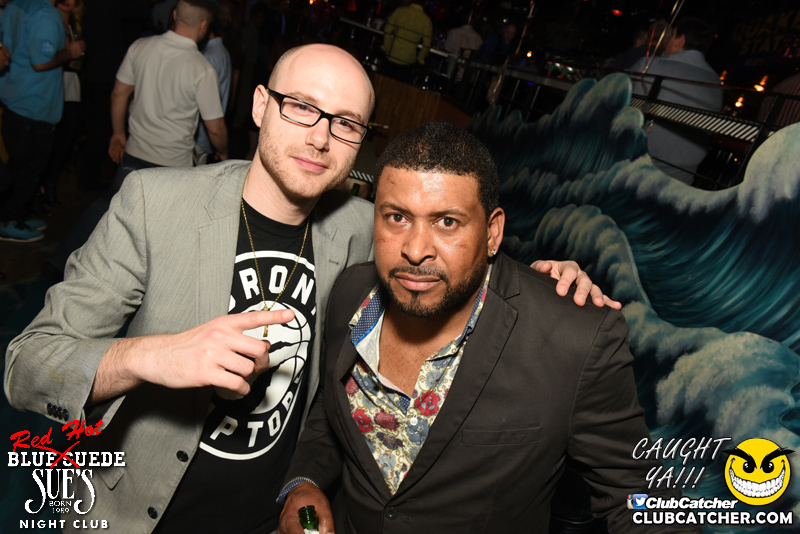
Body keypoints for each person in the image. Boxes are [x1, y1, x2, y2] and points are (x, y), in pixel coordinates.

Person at [5, 44, 609, 533]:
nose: (321, 138)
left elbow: (446, 255)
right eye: (301, 107)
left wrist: (541, 281)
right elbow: (28, 363)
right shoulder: (152, 203)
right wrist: (155, 356)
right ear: (260, 106)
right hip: (138, 517)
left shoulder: (363, 229)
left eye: (346, 123)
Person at [277, 122, 687, 534]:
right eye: (397, 217)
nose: (415, 250)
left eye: (447, 222)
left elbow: (637, 493)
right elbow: (329, 412)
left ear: (492, 232)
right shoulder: (352, 294)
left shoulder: (574, 338)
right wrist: (304, 483)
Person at [0, 0, 85, 242]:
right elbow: (40, 62)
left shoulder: (16, 5)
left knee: (19, 168)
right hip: (34, 103)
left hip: (13, 96)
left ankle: (17, 214)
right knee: (27, 170)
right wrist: (70, 52)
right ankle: (9, 221)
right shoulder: (46, 13)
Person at [630, 17, 723, 185]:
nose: (667, 42)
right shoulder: (716, 82)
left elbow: (624, 106)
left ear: (681, 40)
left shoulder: (650, 66)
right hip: (684, 177)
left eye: (672, 35)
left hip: (641, 170)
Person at [381, 0, 432, 84]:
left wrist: (386, 47)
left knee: (384, 83)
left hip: (392, 53)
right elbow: (426, 44)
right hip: (409, 59)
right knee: (400, 87)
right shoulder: (426, 20)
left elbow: (387, 30)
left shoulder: (399, 11)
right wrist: (419, 58)